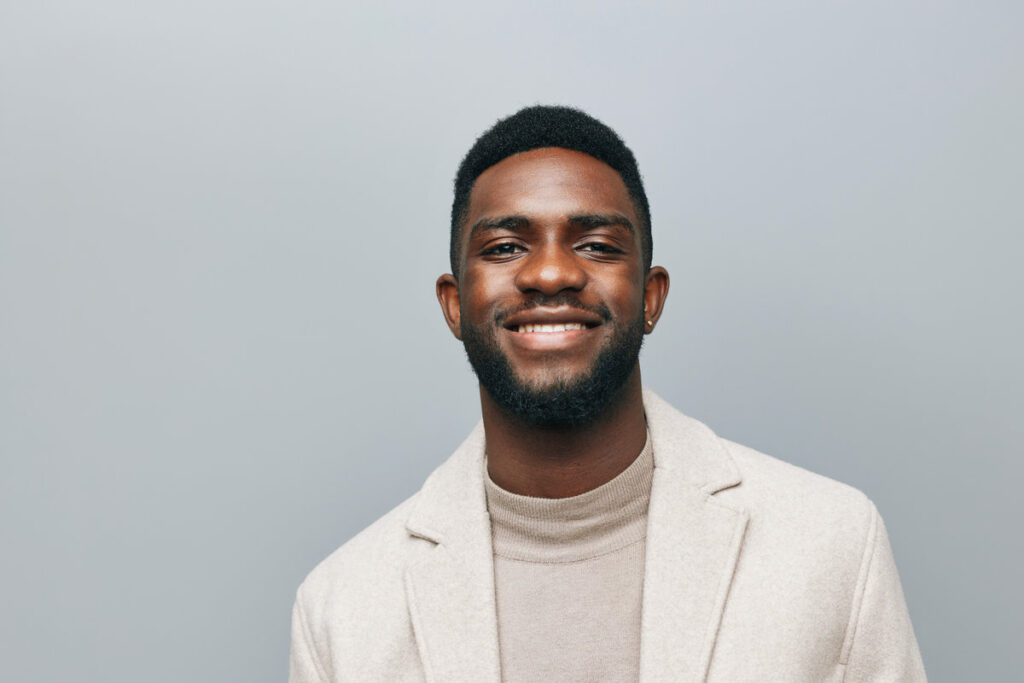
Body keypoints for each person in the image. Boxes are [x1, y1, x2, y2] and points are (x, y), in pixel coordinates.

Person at [288, 106, 926, 682]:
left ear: (650, 298)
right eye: (506, 248)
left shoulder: (831, 544)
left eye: (595, 246)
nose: (551, 273)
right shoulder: (342, 609)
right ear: (455, 305)